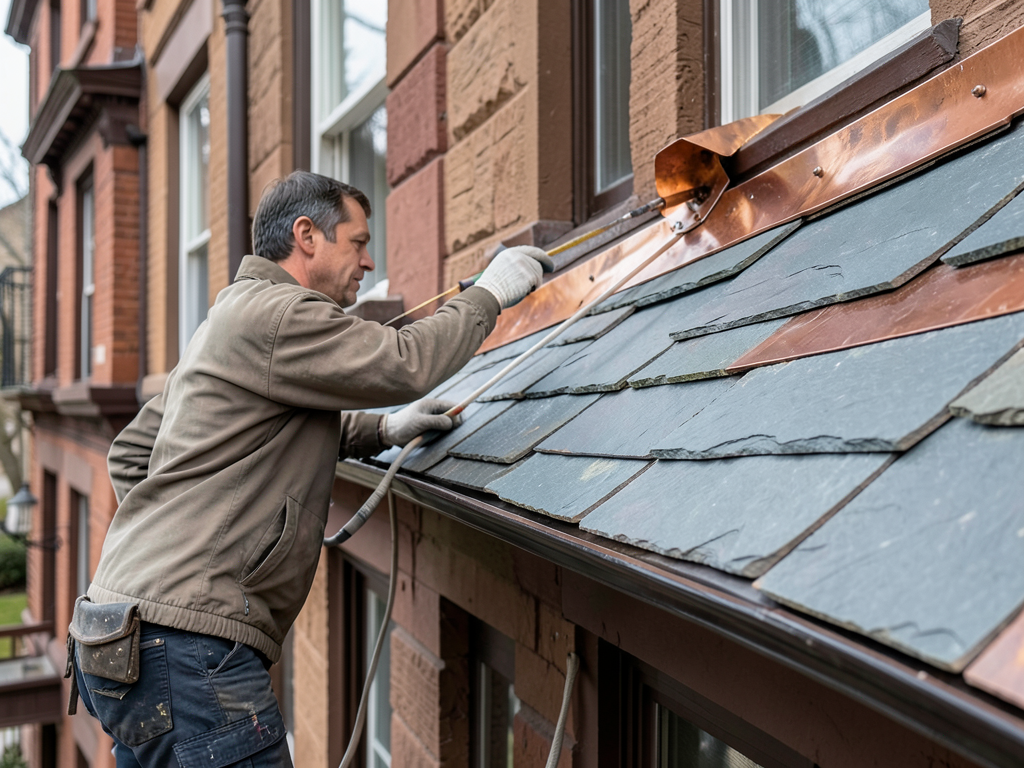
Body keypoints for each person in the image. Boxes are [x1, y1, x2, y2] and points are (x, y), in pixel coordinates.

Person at [68, 171, 551, 767]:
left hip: (120, 637)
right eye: (357, 242)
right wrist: (489, 294)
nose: (369, 261)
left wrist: (381, 430)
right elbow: (405, 363)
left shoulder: (230, 316)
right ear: (307, 236)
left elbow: (132, 452)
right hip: (188, 650)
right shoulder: (280, 314)